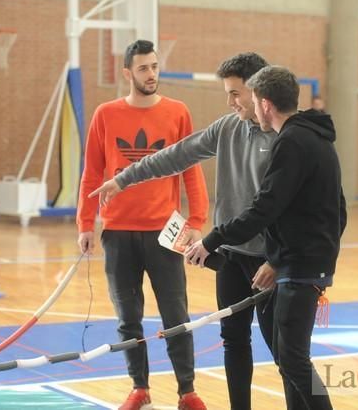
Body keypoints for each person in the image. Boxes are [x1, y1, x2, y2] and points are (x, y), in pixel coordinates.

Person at [88, 52, 277, 410]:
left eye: (235, 93)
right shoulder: (226, 128)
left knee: (286, 354)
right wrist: (123, 179)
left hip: (271, 262)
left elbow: (296, 210)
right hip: (233, 258)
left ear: (257, 91)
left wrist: (281, 258)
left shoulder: (286, 137)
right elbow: (176, 155)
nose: (230, 102)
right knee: (234, 342)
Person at [184, 65, 347, 410]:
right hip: (303, 263)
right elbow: (339, 210)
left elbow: (263, 210)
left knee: (294, 362)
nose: (252, 108)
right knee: (292, 360)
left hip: (300, 267)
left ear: (267, 105)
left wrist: (212, 240)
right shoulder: (315, 137)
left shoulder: (292, 142)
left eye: (254, 100)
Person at [76, 39, 209, 410]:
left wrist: (196, 221)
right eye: (143, 68)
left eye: (154, 67)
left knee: (176, 315)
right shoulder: (105, 114)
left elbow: (191, 170)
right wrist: (86, 224)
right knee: (127, 317)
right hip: (117, 233)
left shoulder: (178, 112)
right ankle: (140, 389)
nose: (151, 74)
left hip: (165, 234)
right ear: (127, 74)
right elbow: (91, 174)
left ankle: (188, 391)